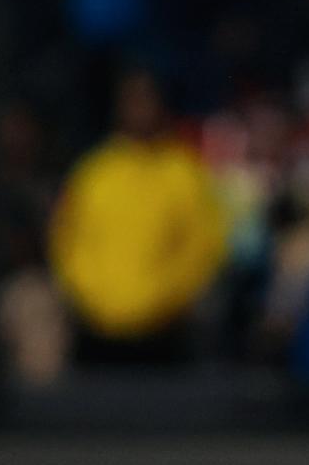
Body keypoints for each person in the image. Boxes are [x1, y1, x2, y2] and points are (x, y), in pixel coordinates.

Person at [49, 69, 227, 365]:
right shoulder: (94, 172)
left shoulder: (185, 173)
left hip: (166, 333)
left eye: (146, 100)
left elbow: (202, 249)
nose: (139, 109)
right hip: (96, 329)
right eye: (131, 101)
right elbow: (68, 241)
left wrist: (162, 300)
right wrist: (93, 298)